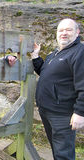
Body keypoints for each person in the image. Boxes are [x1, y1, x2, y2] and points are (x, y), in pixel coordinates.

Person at [31, 18, 84, 160]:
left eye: (68, 30)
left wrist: (80, 112)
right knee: (56, 150)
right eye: (61, 30)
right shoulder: (54, 53)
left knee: (63, 154)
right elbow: (45, 72)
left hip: (62, 115)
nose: (64, 33)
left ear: (77, 32)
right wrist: (36, 56)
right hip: (46, 111)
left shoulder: (80, 52)